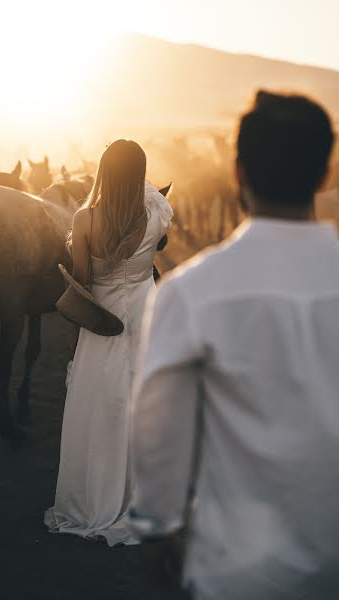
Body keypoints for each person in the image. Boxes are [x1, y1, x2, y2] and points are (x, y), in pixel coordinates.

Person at [129, 91, 339, 599]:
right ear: (326, 174)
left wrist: (157, 527)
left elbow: (159, 429)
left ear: (238, 171)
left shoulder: (191, 293)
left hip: (239, 567)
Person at [45, 139, 173, 546]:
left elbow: (83, 286)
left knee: (98, 405)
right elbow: (155, 204)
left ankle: (93, 497)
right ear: (140, 174)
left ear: (102, 170)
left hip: (103, 324)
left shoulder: (84, 219)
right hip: (143, 319)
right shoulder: (155, 215)